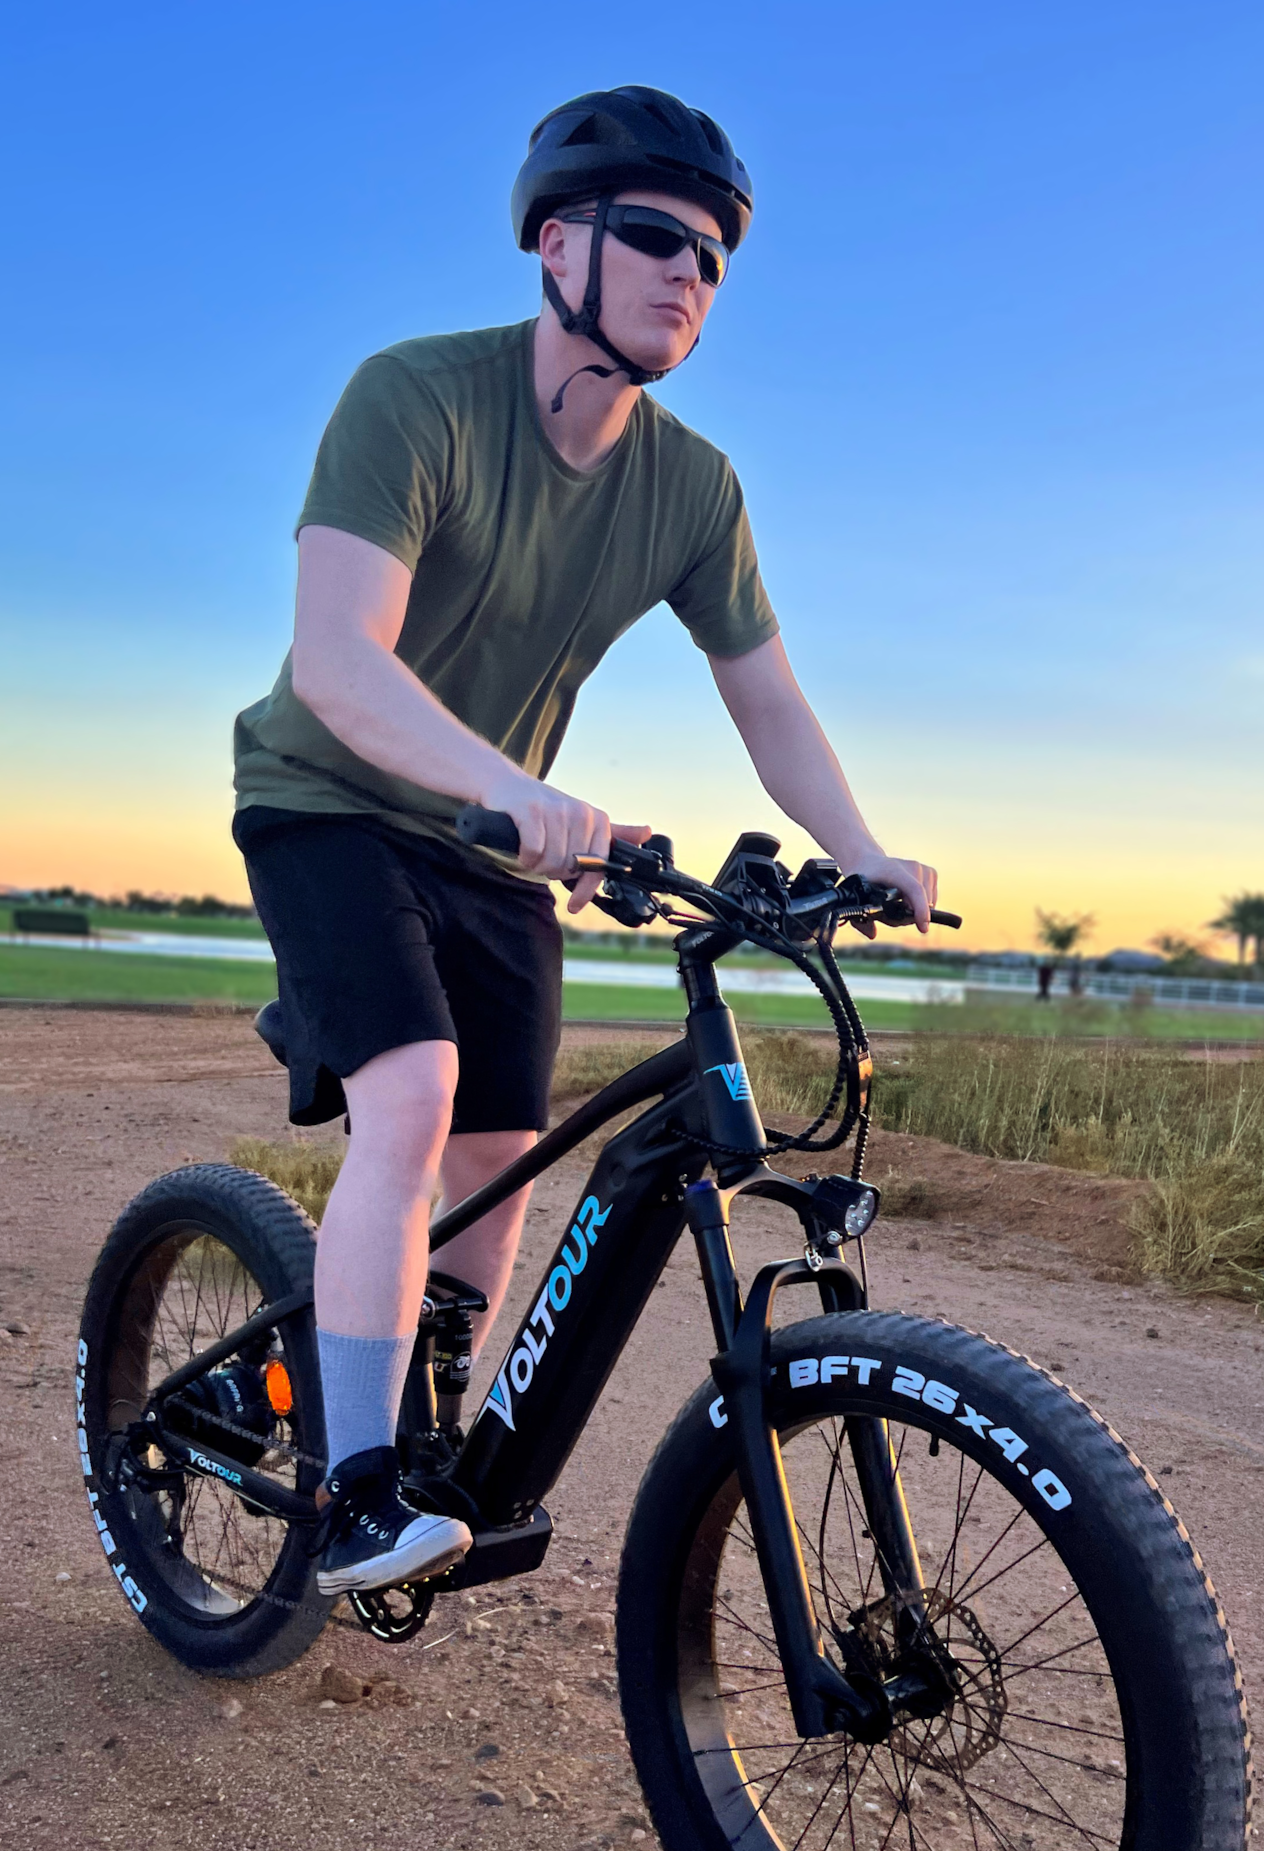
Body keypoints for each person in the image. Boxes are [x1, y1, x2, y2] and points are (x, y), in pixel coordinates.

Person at [230, 85, 939, 1598]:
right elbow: (338, 665)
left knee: (504, 1157)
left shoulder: (694, 485)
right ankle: (356, 1490)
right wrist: (526, 792)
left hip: (504, 851)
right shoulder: (414, 397)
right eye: (661, 239)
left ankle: (425, 1443)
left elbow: (771, 701)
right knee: (412, 1102)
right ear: (560, 241)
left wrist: (863, 845)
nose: (696, 275)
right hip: (332, 801)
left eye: (718, 259)